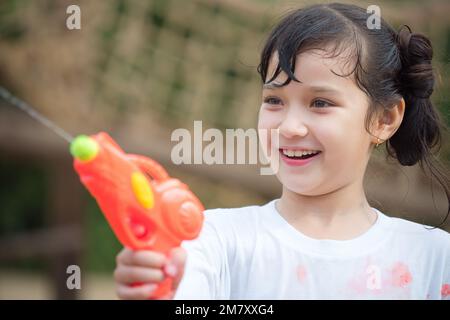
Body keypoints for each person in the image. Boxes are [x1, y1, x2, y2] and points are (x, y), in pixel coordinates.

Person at [113, 2, 450, 299]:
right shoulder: (213, 242)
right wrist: (163, 289)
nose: (289, 127)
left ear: (384, 119)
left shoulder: (434, 259)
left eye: (320, 103)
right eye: (274, 100)